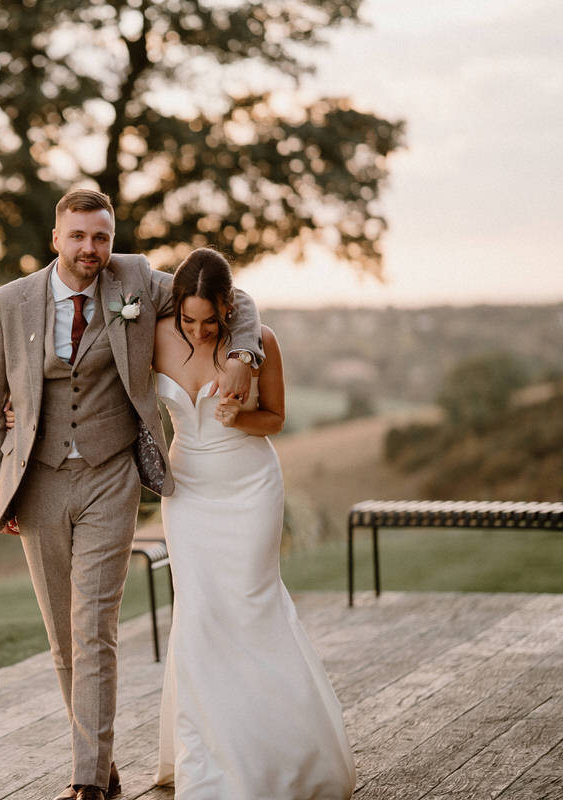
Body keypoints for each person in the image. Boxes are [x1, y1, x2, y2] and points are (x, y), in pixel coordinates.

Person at [0, 189, 264, 800]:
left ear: (112, 239)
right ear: (56, 239)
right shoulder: (8, 304)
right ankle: (99, 763)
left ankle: (85, 783)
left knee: (93, 627)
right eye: (78, 237)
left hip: (111, 476)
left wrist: (242, 350)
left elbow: (233, 300)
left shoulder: (134, 278)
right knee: (61, 638)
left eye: (100, 237)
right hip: (38, 482)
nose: (90, 249)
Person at [151, 248, 356, 799]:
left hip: (250, 487)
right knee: (199, 611)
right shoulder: (154, 335)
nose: (197, 331)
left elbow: (277, 420)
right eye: (188, 320)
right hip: (188, 491)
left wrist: (240, 415)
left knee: (251, 602)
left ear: (228, 307)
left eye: (209, 321)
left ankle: (283, 756)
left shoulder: (260, 341)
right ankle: (209, 758)